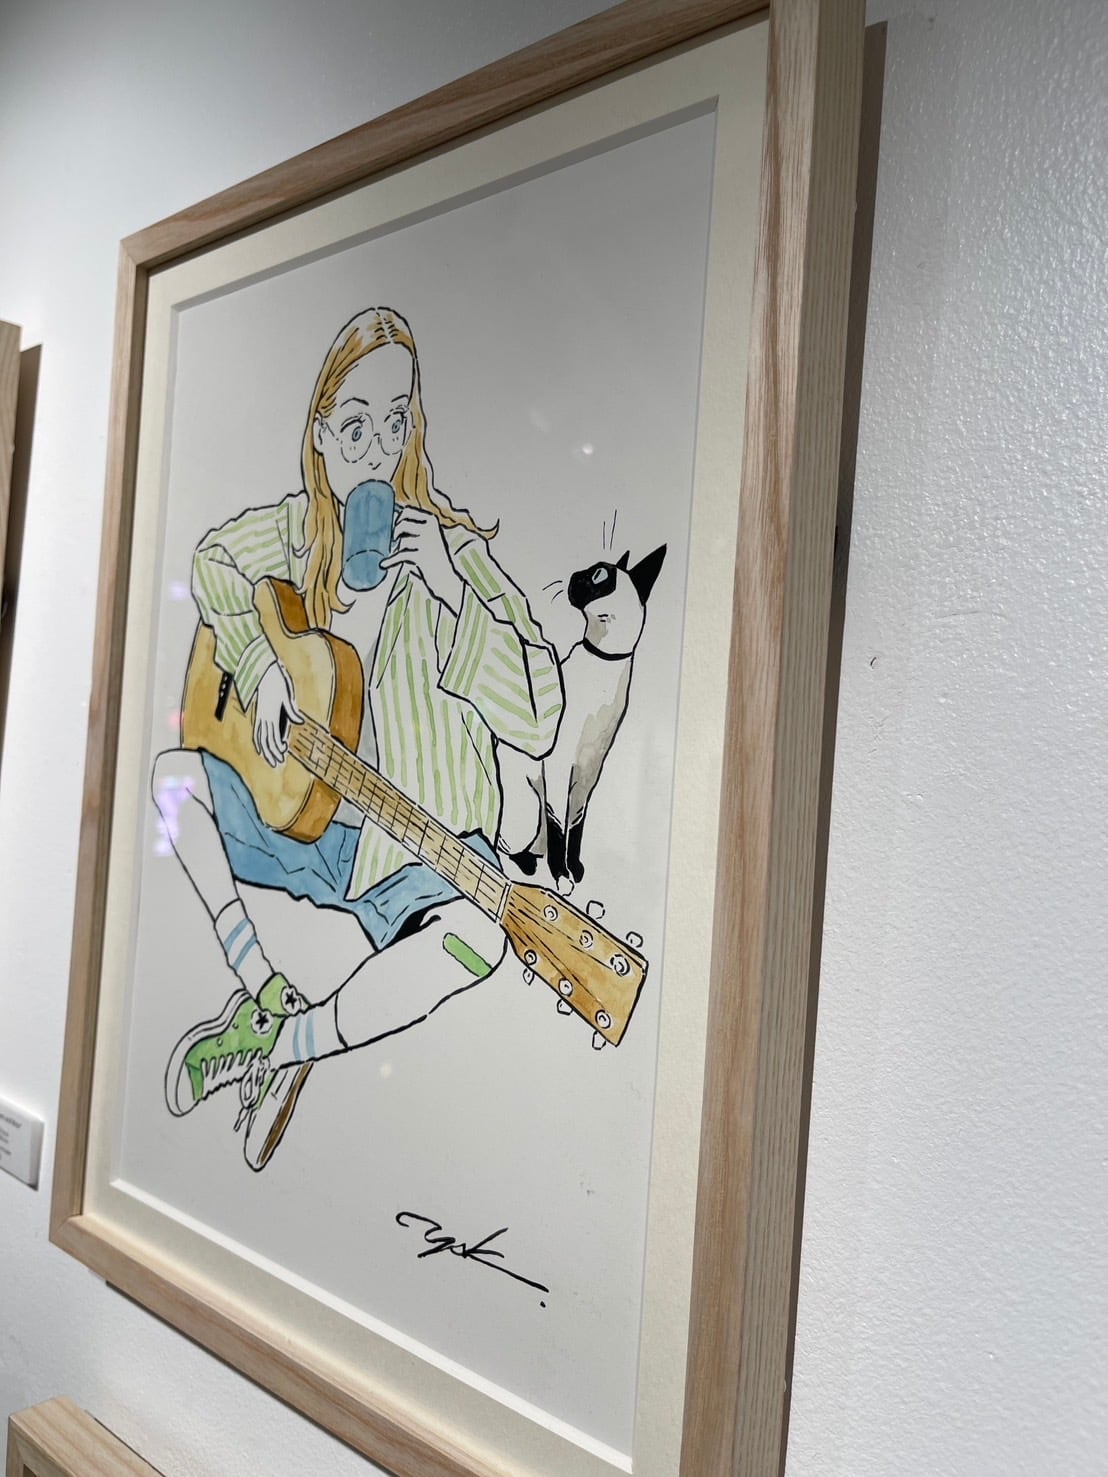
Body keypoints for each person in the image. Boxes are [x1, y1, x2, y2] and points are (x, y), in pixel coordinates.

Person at [152, 306, 564, 1169]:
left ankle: (286, 1043)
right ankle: (263, 989)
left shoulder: (456, 556)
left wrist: (452, 595)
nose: (378, 449)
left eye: (396, 421)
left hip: (403, 850)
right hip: (302, 818)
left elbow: (539, 714)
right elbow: (210, 564)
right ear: (320, 436)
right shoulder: (292, 533)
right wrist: (261, 660)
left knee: (477, 939)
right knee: (169, 780)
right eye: (355, 426)